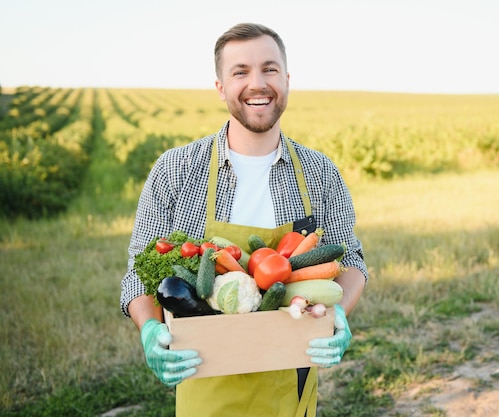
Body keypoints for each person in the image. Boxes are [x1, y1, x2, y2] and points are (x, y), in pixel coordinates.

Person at [120, 22, 367, 416]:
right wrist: (149, 329)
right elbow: (139, 271)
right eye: (240, 72)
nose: (258, 83)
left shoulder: (320, 172)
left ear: (286, 80)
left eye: (269, 69)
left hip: (292, 384)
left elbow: (351, 260)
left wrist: (338, 314)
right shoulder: (176, 170)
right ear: (220, 87)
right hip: (205, 384)